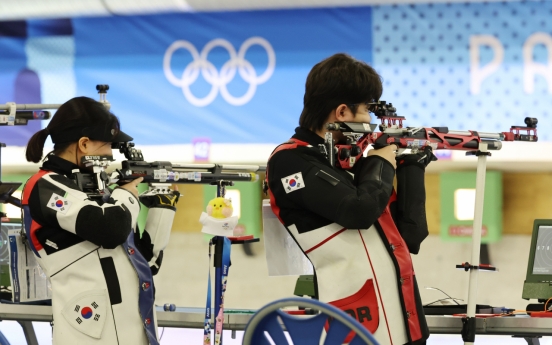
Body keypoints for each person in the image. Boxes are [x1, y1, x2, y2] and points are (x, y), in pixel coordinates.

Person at [265, 53, 432, 345]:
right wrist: (382, 162)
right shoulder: (290, 161)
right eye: (368, 111)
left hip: (406, 325)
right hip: (357, 326)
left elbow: (412, 235)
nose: (371, 122)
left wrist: (412, 165)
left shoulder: (353, 167)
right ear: (342, 112)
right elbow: (358, 211)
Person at [22, 97, 178, 345]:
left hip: (134, 332)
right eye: (108, 146)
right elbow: (111, 230)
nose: (110, 154)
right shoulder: (44, 186)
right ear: (84, 144)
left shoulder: (104, 193)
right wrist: (126, 193)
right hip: (89, 333)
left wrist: (164, 205)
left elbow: (146, 263)